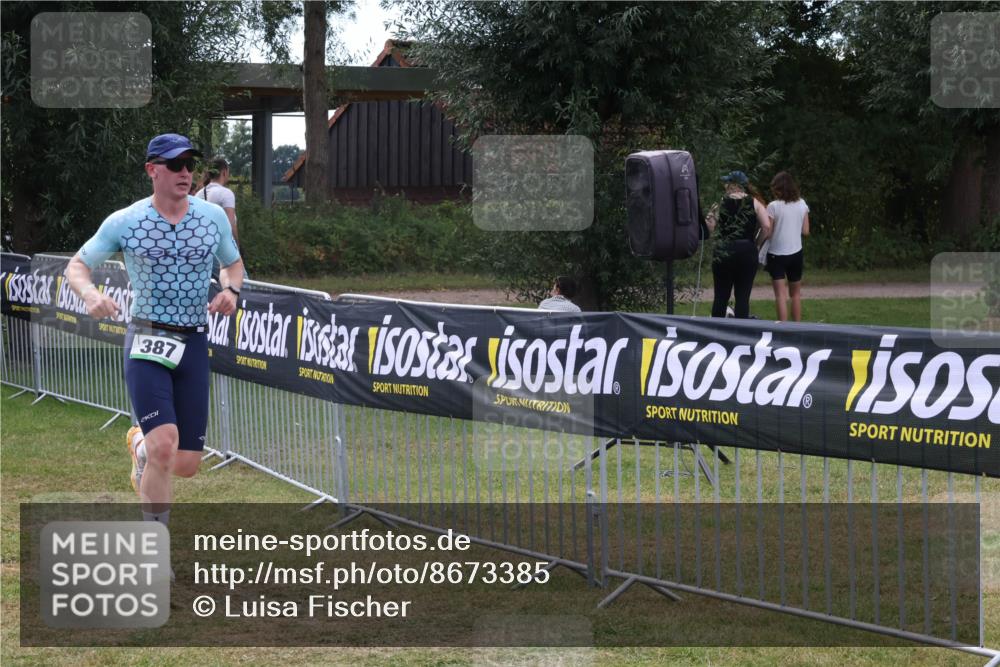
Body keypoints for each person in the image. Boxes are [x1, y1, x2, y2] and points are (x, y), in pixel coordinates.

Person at [65, 133, 245, 528]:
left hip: (194, 340)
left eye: (189, 165)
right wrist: (90, 294)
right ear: (152, 170)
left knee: (185, 464)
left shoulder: (211, 217)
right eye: (175, 164)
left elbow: (233, 264)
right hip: (147, 338)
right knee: (166, 446)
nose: (185, 172)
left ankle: (139, 445)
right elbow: (76, 267)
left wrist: (231, 289)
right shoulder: (126, 221)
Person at [705, 170, 771, 319]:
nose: (725, 185)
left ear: (734, 185)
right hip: (747, 251)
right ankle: (740, 334)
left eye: (727, 182)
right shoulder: (755, 202)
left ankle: (716, 330)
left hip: (724, 250)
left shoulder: (720, 202)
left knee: (721, 296)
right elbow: (766, 227)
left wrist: (715, 238)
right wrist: (756, 243)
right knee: (742, 296)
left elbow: (709, 226)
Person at [765, 171, 810, 321]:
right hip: (796, 254)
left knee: (780, 295)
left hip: (776, 255)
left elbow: (768, 232)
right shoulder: (802, 204)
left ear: (778, 189)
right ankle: (796, 327)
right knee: (795, 294)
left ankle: (783, 329)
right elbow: (806, 231)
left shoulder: (773, 206)